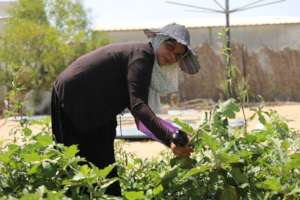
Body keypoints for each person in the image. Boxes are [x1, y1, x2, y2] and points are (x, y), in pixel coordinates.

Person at [51, 23, 200, 196]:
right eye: (170, 47)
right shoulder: (143, 56)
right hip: (73, 96)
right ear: (158, 41)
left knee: (104, 170)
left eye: (178, 55)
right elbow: (138, 107)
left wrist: (172, 139)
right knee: (75, 168)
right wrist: (169, 137)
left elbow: (140, 120)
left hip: (98, 107)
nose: (172, 56)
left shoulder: (145, 62)